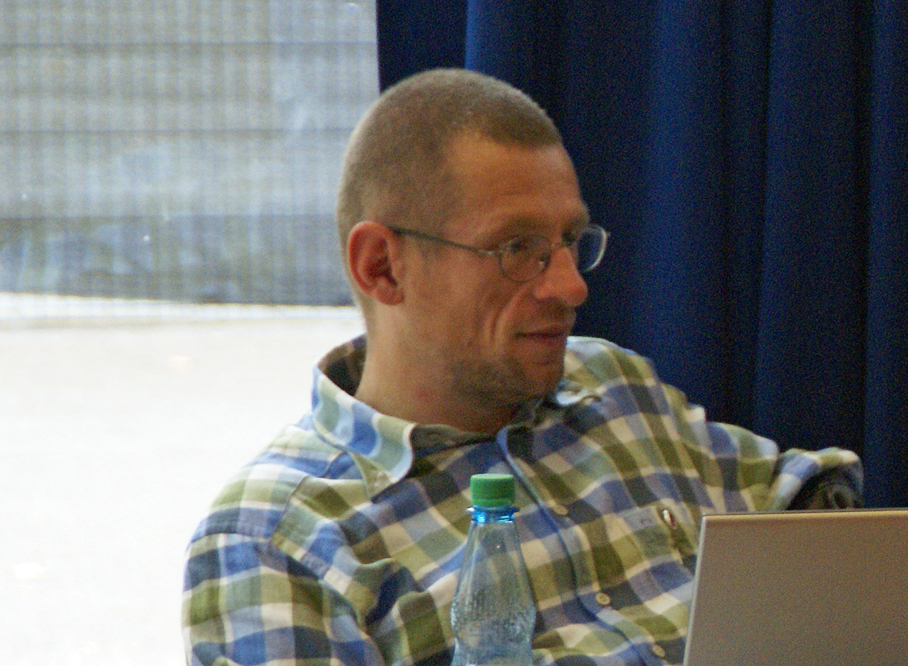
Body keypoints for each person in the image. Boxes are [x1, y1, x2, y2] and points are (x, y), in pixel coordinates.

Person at [182, 68, 862, 666]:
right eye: (517, 248)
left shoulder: (615, 388)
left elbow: (804, 500)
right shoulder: (280, 540)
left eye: (570, 241)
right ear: (382, 267)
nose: (571, 286)